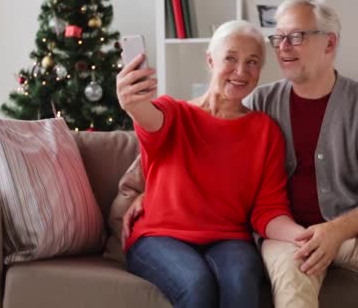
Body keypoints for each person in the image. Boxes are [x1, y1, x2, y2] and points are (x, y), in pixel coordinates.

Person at [116, 20, 305, 308]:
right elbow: (148, 117)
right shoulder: (175, 113)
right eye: (230, 58)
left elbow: (269, 209)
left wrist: (305, 237)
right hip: (159, 237)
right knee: (197, 283)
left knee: (241, 281)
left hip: (229, 239)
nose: (241, 71)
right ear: (210, 60)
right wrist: (132, 102)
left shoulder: (265, 131)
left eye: (252, 62)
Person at [243, 0, 358, 308]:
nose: (283, 47)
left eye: (296, 36)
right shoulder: (260, 103)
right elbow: (205, 131)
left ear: (330, 42)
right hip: (287, 237)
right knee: (292, 277)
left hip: (353, 234)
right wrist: (143, 185)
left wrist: (335, 231)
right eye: (278, 38)